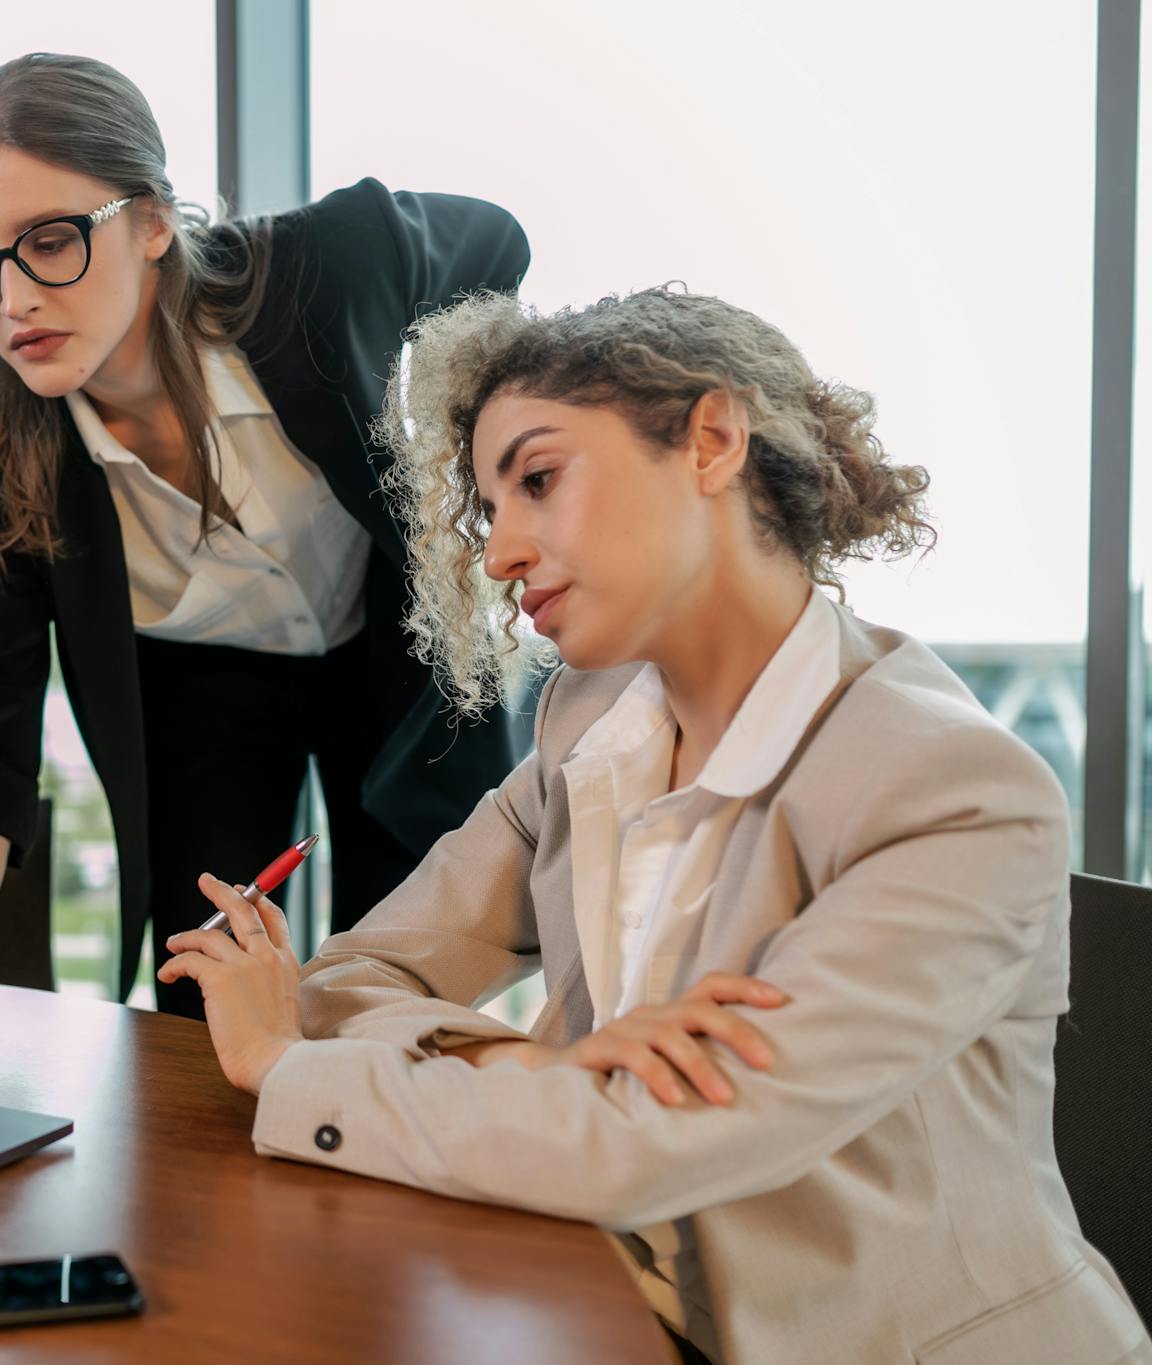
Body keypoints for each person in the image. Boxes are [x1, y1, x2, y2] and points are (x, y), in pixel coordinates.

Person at [156, 287, 1150, 1364]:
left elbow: (648, 1146)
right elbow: (356, 978)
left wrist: (282, 1060)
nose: (498, 557)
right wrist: (541, 1074)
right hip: (607, 1308)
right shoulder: (584, 723)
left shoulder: (951, 791)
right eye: (489, 513)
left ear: (711, 440)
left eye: (538, 480)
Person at [0, 51, 531, 1087]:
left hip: (389, 659)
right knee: (203, 1003)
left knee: (395, 997)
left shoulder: (326, 266)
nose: (11, 299)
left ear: (152, 222)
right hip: (200, 701)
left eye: (50, 242)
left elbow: (496, 241)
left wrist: (461, 442)